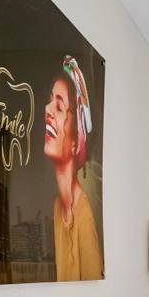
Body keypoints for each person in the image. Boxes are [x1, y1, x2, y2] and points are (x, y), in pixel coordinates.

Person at [43, 55, 102, 280]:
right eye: (49, 101)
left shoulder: (83, 215)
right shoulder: (58, 206)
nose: (47, 110)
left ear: (76, 142)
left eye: (59, 107)